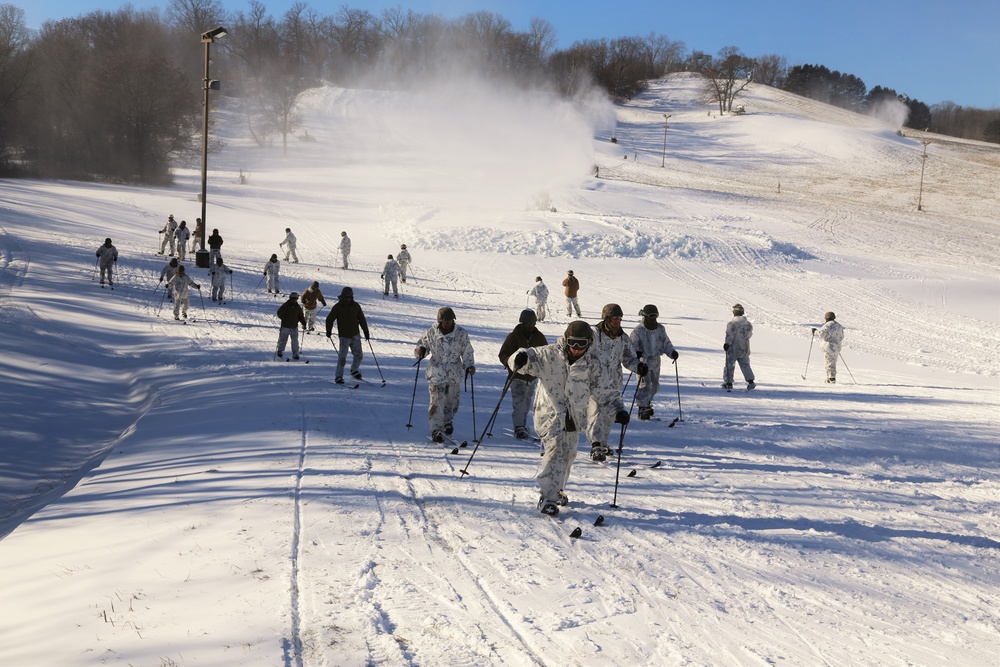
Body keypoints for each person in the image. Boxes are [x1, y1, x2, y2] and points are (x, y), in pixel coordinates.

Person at [507, 321, 628, 516]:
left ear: (589, 343)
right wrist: (518, 358)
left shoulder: (592, 363)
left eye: (582, 344)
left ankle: (558, 489)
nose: (576, 349)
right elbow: (525, 356)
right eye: (572, 343)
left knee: (568, 455)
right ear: (565, 340)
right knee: (554, 451)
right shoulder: (548, 355)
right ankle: (548, 497)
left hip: (575, 417)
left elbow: (606, 392)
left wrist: (618, 410)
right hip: (550, 414)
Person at [586, 304, 645, 461]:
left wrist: (638, 366)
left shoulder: (623, 338)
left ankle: (603, 443)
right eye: (614, 318)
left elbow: (628, 358)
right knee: (596, 412)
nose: (617, 321)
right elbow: (583, 355)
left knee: (608, 415)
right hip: (594, 381)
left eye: (619, 318)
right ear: (606, 318)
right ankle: (596, 444)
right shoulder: (593, 334)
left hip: (613, 381)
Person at [414, 307, 475, 443]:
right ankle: (436, 429)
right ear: (439, 321)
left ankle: (448, 421)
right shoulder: (431, 333)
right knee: (436, 401)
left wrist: (469, 365)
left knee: (452, 401)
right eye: (444, 321)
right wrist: (421, 351)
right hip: (436, 371)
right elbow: (422, 345)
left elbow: (467, 351)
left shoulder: (461, 333)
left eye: (449, 320)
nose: (447, 323)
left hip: (454, 371)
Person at [498, 309, 548, 439]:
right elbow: (503, 354)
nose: (531, 326)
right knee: (519, 402)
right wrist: (511, 363)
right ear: (522, 322)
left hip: (532, 376)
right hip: (517, 376)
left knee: (527, 402)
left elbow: (546, 353)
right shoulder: (513, 336)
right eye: (528, 323)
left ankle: (523, 424)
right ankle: (519, 427)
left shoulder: (539, 336)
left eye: (533, 323)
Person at [629, 304, 678, 420]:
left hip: (656, 360)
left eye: (655, 316)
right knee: (645, 384)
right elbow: (632, 346)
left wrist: (672, 352)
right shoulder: (638, 331)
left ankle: (647, 403)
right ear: (645, 316)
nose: (653, 319)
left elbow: (666, 343)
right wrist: (637, 353)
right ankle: (642, 407)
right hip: (643, 361)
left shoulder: (660, 329)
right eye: (651, 316)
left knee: (655, 385)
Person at [325, 286, 371, 383]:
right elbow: (329, 319)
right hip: (344, 336)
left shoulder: (356, 306)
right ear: (342, 296)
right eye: (346, 297)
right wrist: (328, 330)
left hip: (355, 334)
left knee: (359, 355)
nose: (348, 299)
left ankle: (354, 370)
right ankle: (338, 376)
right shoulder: (337, 307)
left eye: (350, 297)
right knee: (342, 357)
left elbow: (362, 319)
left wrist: (366, 332)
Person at [723, 303, 755, 390]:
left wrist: (727, 344)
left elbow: (730, 335)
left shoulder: (732, 324)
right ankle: (751, 381)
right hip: (744, 348)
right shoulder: (748, 324)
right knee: (745, 365)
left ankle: (729, 382)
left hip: (733, 348)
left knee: (730, 365)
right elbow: (749, 335)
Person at [814, 311, 845, 383]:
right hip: (837, 346)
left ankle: (831, 378)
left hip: (829, 346)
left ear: (826, 318)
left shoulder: (827, 325)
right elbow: (842, 336)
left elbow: (821, 334)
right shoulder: (839, 326)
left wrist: (815, 331)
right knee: (833, 362)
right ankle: (831, 377)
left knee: (828, 362)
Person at [276, 292, 306, 359]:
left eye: (295, 298)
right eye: (293, 298)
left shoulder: (297, 307)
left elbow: (300, 315)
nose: (294, 300)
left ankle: (295, 354)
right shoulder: (286, 305)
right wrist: (284, 318)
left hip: (294, 326)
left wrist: (303, 322)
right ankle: (280, 351)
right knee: (283, 339)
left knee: (295, 341)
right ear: (290, 298)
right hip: (285, 326)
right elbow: (279, 313)